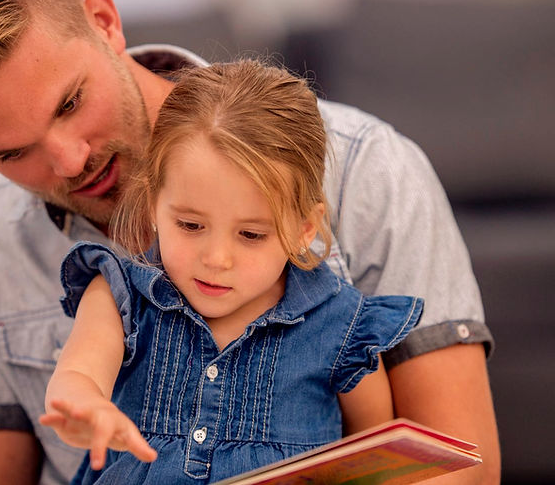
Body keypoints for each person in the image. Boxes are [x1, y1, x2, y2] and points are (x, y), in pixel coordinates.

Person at [0, 0, 500, 484]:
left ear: (104, 19)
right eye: (12, 153)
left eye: (69, 103)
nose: (69, 163)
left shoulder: (368, 169)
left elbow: (456, 470)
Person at [39, 60, 424, 484]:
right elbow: (77, 374)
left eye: (251, 235)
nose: (217, 258)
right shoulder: (120, 295)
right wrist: (84, 406)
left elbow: (373, 456)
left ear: (304, 230)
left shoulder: (342, 327)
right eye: (190, 226)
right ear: (153, 205)